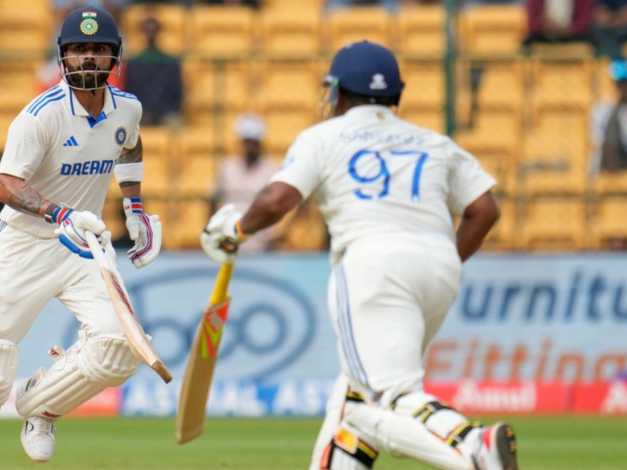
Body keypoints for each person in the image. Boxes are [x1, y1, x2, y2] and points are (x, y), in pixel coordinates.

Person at [200, 41, 514, 470]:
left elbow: (277, 199)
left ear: (339, 93)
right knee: (355, 393)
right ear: (395, 95)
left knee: (389, 395)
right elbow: (484, 209)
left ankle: (470, 444)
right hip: (440, 270)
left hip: (372, 265)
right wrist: (445, 260)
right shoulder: (432, 141)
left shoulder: (324, 136)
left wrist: (236, 231)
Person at [0, 7, 162, 470]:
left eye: (98, 50)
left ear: (115, 57)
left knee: (118, 349)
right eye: (78, 50)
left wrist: (134, 207)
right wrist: (60, 212)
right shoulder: (41, 116)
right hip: (25, 245)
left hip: (83, 248)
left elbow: (130, 144)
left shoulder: (127, 108)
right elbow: (6, 184)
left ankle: (40, 406)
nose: (88, 59)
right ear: (63, 58)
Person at [216, 114, 280, 252]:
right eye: (247, 141)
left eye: (254, 141)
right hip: (230, 243)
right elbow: (212, 199)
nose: (250, 146)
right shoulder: (227, 168)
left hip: (263, 247)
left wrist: (279, 235)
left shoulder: (272, 169)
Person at [123, 17, 183, 126]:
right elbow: (129, 93)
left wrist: (160, 111)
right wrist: (144, 112)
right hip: (141, 113)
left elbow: (177, 93)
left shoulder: (171, 63)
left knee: (175, 125)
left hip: (166, 113)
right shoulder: (134, 63)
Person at [523, 0, 595, 45]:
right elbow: (532, 23)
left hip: (573, 36)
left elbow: (584, 22)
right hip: (544, 36)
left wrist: (567, 30)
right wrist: (544, 25)